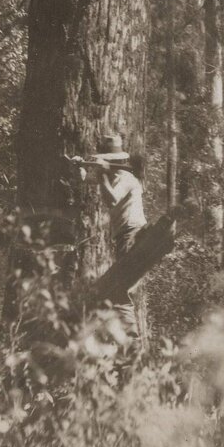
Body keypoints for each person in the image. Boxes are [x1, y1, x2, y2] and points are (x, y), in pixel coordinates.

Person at [91, 132, 147, 344]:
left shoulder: (125, 178)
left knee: (120, 287)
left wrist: (102, 176)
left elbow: (112, 199)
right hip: (126, 236)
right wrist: (81, 168)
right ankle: (124, 337)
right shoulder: (114, 177)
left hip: (131, 234)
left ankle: (132, 338)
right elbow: (90, 181)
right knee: (120, 286)